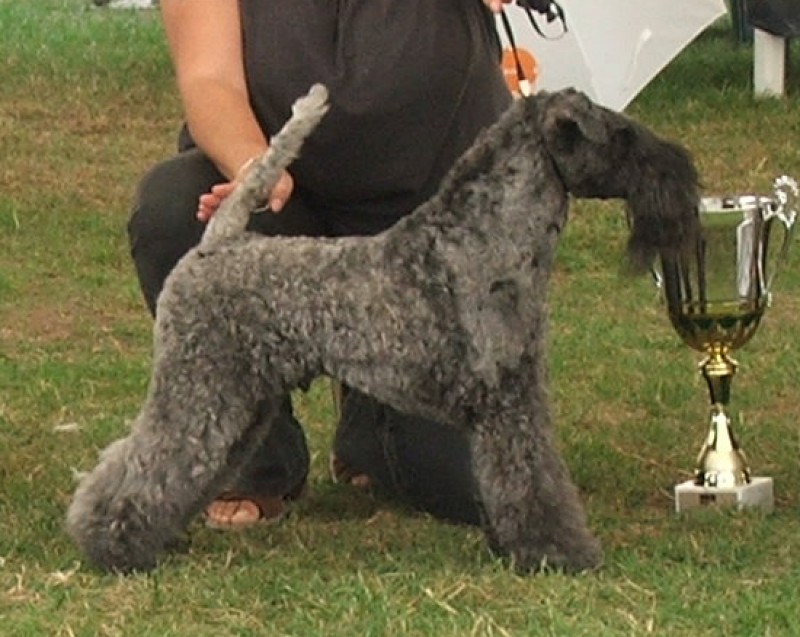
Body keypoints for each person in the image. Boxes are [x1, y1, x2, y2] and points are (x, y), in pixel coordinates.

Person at [127, 0, 515, 530]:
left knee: (462, 486)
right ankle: (253, 458)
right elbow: (208, 78)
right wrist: (255, 170)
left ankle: (373, 425)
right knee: (174, 211)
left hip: (428, 211)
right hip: (289, 196)